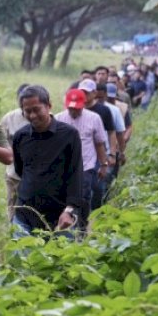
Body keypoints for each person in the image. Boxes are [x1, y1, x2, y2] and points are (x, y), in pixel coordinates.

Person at [11, 85, 83, 236]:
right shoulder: (20, 136)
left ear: (49, 106)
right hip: (25, 214)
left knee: (60, 259)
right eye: (27, 111)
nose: (32, 115)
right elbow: (20, 170)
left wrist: (69, 210)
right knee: (23, 259)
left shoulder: (69, 135)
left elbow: (75, 174)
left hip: (60, 217)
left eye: (36, 109)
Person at [55, 89, 109, 229]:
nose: (74, 111)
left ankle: (82, 228)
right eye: (71, 108)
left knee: (83, 197)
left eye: (77, 108)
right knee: (63, 197)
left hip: (86, 165)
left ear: (83, 104)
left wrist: (103, 165)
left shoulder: (94, 118)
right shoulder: (58, 119)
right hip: (64, 167)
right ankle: (64, 226)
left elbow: (99, 143)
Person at [0, 84, 30, 221]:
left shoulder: (41, 117)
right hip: (13, 173)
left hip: (36, 174)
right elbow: (1, 141)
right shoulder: (9, 118)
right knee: (13, 206)